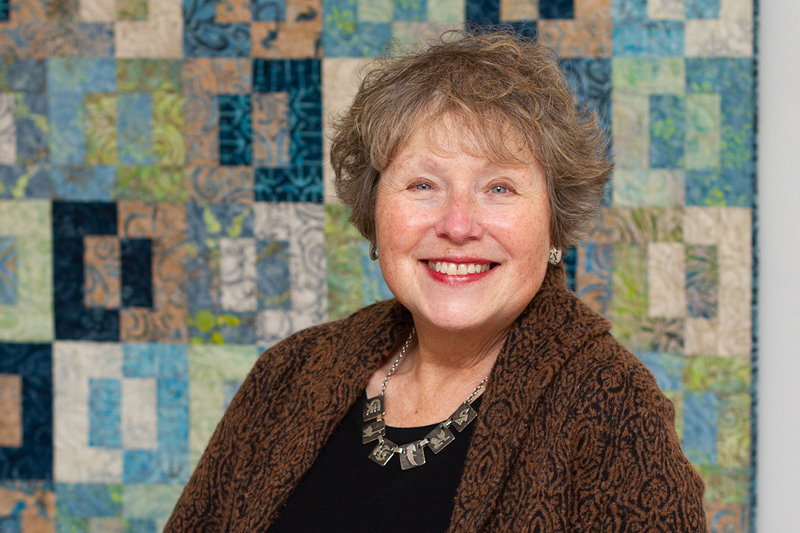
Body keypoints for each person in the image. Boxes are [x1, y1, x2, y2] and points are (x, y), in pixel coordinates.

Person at [165, 31, 706, 532]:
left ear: (554, 220)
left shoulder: (612, 408)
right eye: (423, 184)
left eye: (499, 188)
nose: (457, 225)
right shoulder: (289, 376)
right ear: (375, 212)